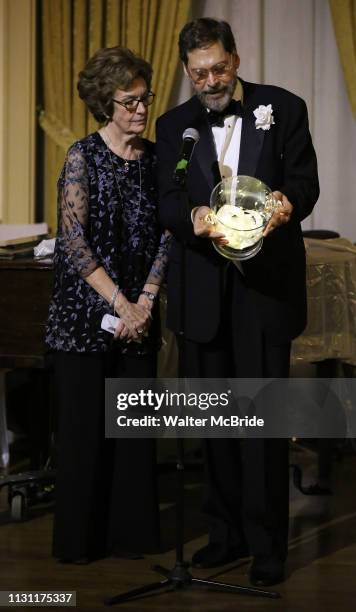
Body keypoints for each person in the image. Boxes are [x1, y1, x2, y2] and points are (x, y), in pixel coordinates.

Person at [156, 18, 319, 586]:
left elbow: (305, 183)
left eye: (219, 68)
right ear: (186, 72)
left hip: (264, 294)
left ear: (237, 58)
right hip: (204, 295)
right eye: (199, 73)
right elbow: (168, 200)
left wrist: (283, 204)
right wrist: (193, 215)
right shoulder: (173, 125)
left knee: (264, 424)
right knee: (216, 424)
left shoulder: (284, 107)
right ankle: (224, 536)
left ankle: (268, 544)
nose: (211, 81)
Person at [46, 46, 170, 563]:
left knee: (134, 434)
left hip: (139, 315)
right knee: (83, 437)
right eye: (129, 101)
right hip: (84, 316)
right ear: (105, 103)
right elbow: (73, 242)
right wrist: (121, 301)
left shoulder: (158, 161)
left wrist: (144, 302)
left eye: (145, 98)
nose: (140, 110)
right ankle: (81, 544)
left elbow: (169, 235)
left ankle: (133, 539)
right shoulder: (82, 156)